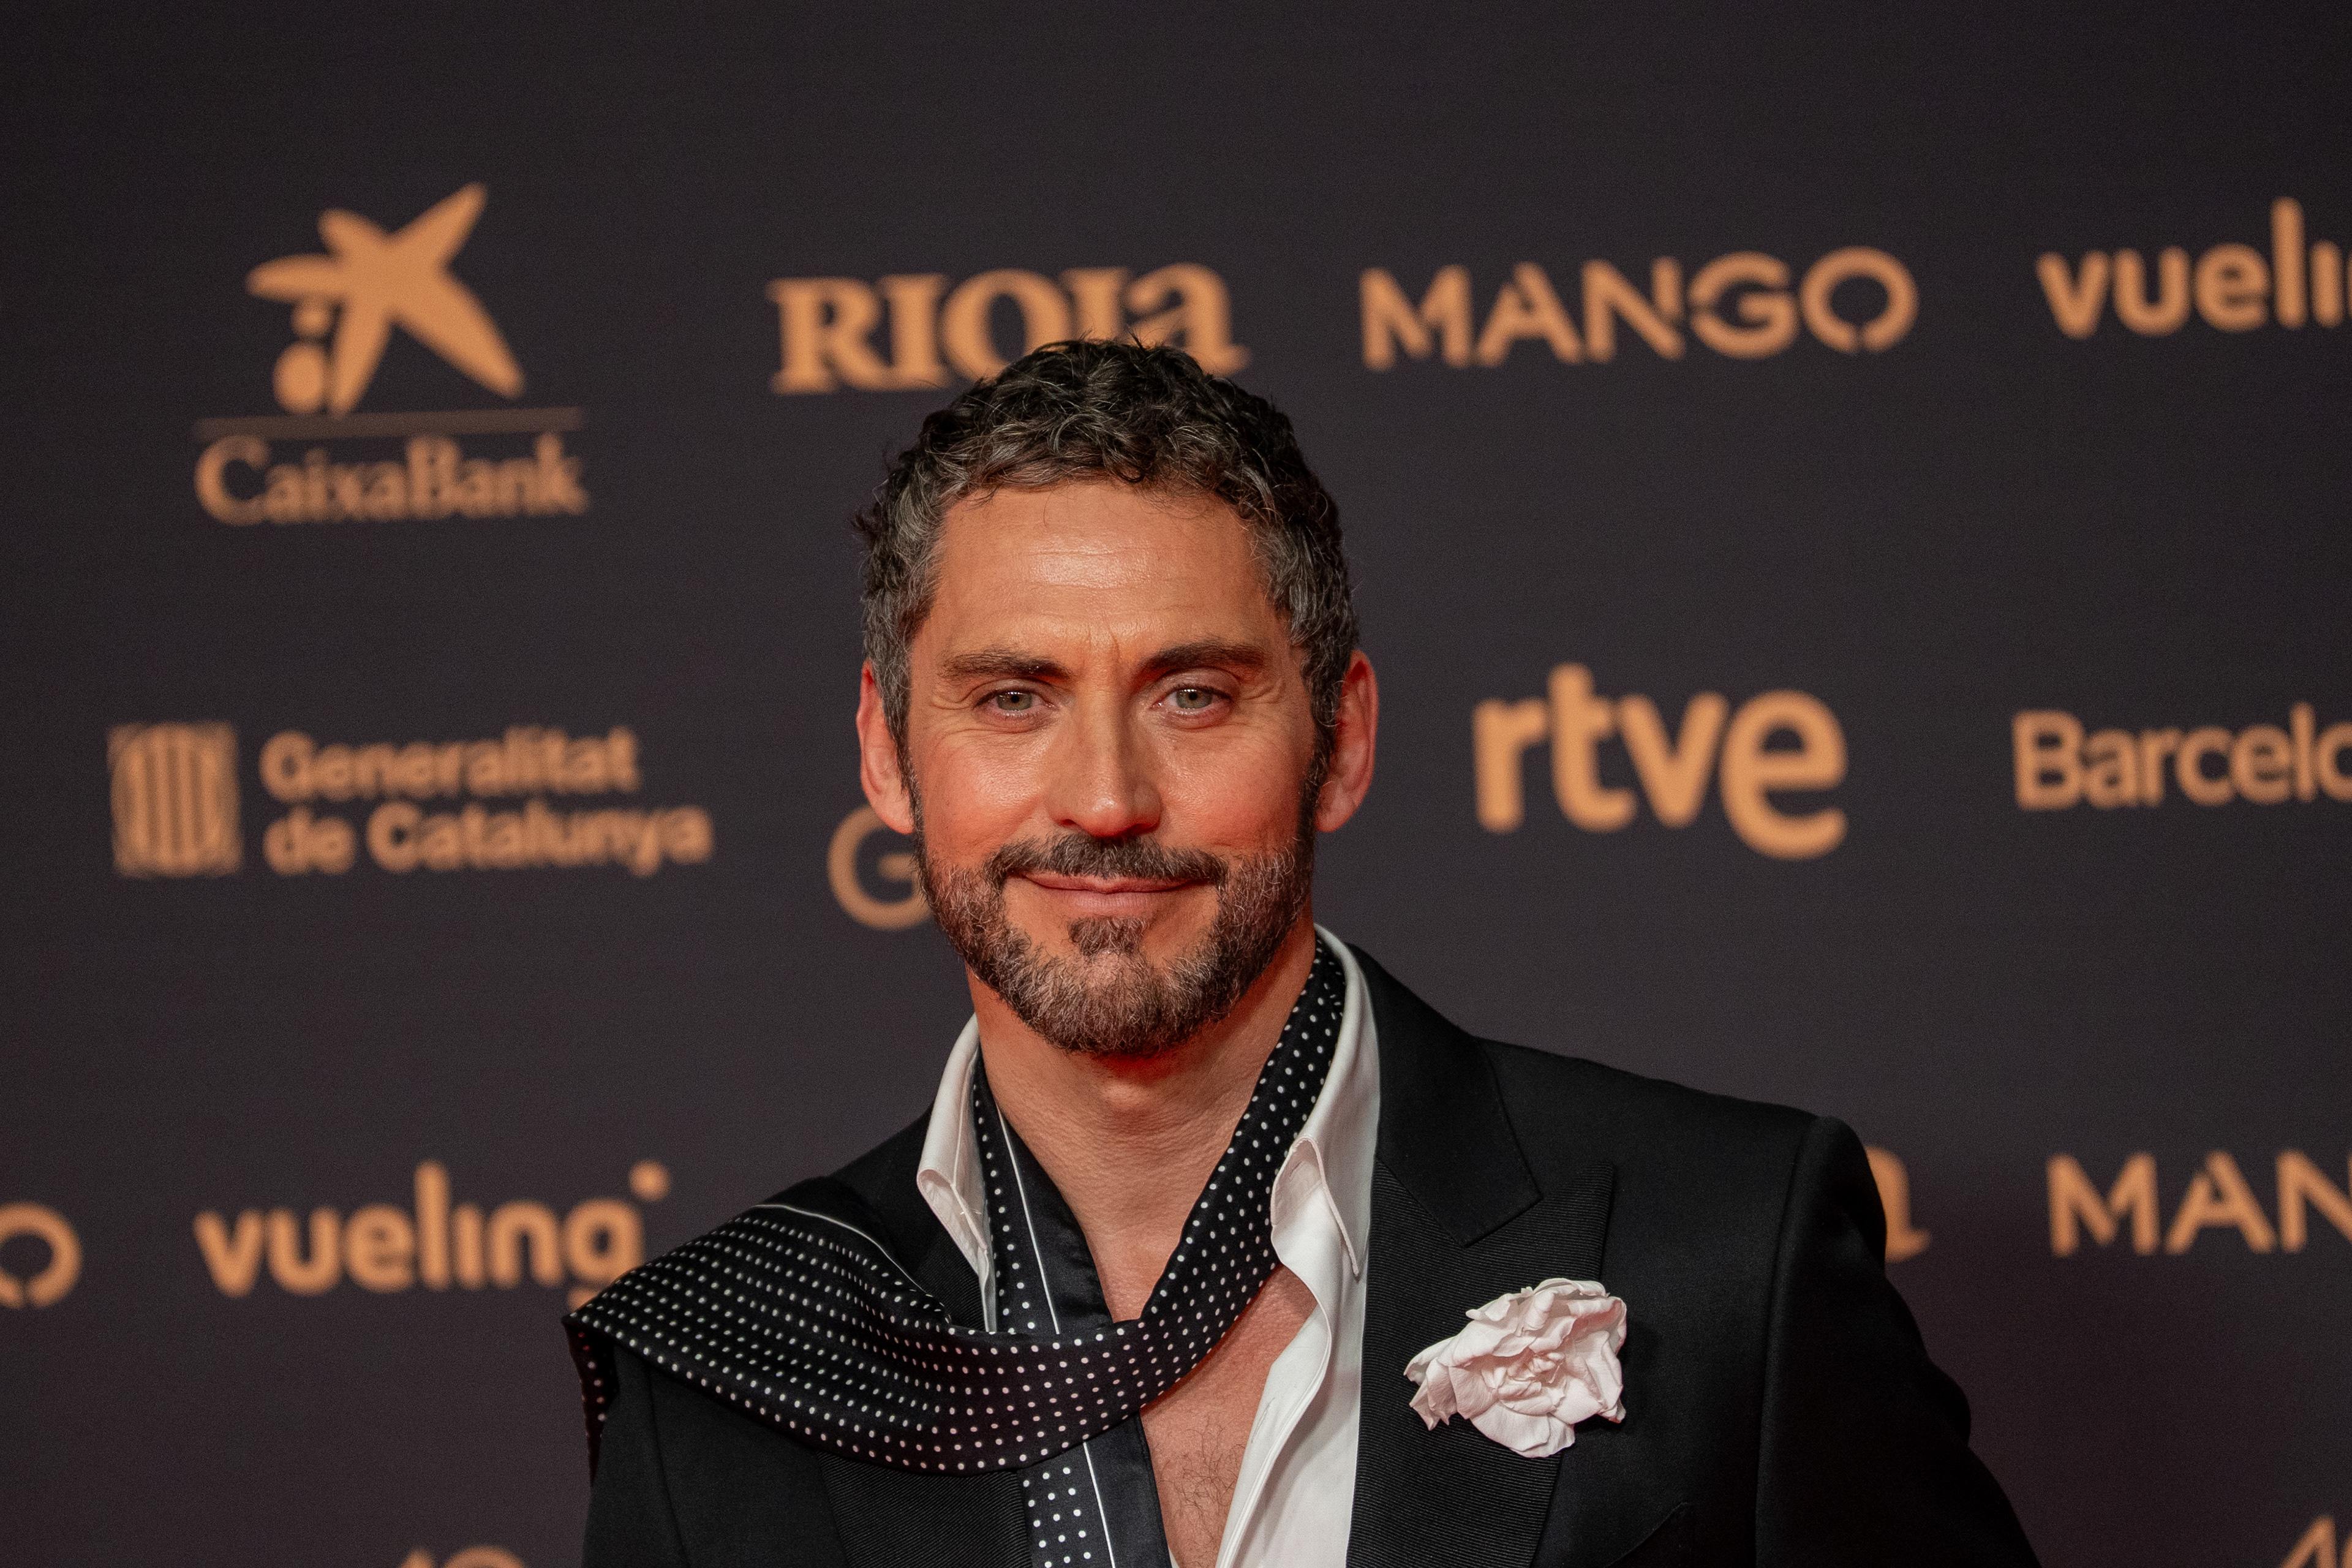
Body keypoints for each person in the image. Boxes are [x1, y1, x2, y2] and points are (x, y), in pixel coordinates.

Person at [565, 339, 2038, 1568]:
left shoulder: (1724, 1250)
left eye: (1193, 694)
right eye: (1013, 697)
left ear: (1340, 741)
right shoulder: (730, 1369)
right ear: (889, 754)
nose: (1104, 794)